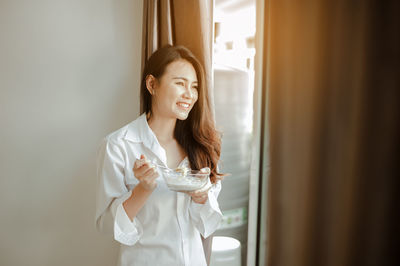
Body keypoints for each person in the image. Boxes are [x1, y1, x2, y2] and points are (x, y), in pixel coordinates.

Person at [95, 45, 224, 266]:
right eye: (180, 83)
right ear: (152, 84)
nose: (189, 95)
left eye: (194, 86)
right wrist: (141, 190)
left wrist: (202, 197)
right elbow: (106, 225)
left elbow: (208, 225)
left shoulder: (201, 146)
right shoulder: (118, 145)